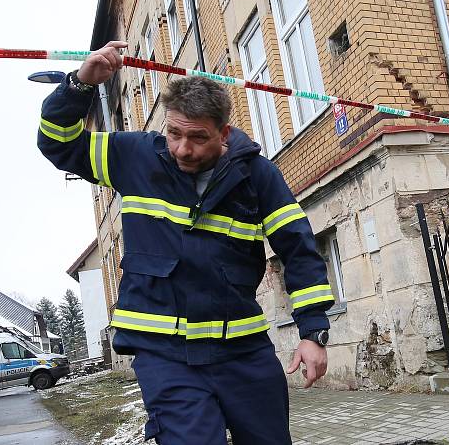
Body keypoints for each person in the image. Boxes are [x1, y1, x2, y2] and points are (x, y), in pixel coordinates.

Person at [38, 40, 333, 445]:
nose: (182, 148)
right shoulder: (135, 156)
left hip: (243, 352)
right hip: (166, 357)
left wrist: (312, 331)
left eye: (196, 137)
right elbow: (59, 144)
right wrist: (79, 87)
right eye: (173, 133)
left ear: (223, 133)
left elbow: (298, 248)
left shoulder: (257, 176)